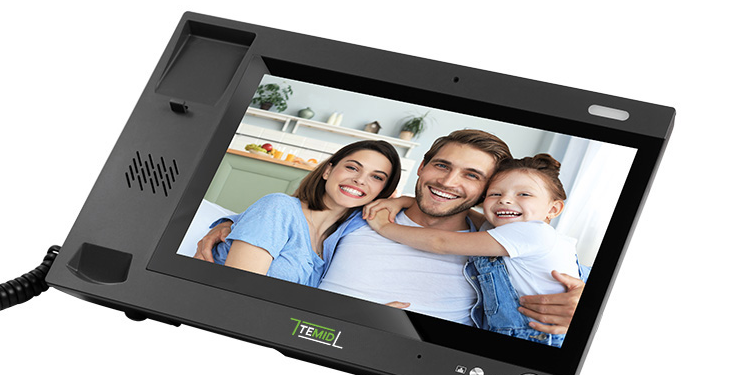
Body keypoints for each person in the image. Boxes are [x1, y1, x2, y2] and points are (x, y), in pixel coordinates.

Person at [196, 129, 584, 334]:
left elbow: (561, 267)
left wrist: (582, 303)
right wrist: (228, 224)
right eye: (442, 166)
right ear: (422, 167)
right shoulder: (364, 216)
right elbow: (295, 221)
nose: (448, 181)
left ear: (487, 191)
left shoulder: (490, 244)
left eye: (471, 175)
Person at [365, 153, 579, 344]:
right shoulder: (501, 231)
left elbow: (441, 243)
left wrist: (385, 227)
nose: (505, 200)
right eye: (495, 194)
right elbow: (466, 212)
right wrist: (407, 201)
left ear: (554, 208)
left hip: (538, 336)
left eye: (524, 194)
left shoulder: (533, 233)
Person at [212, 140, 402, 286]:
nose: (360, 180)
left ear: (382, 192)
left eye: (376, 177)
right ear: (328, 171)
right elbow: (239, 288)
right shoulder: (279, 207)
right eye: (352, 168)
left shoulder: (347, 233)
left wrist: (403, 201)